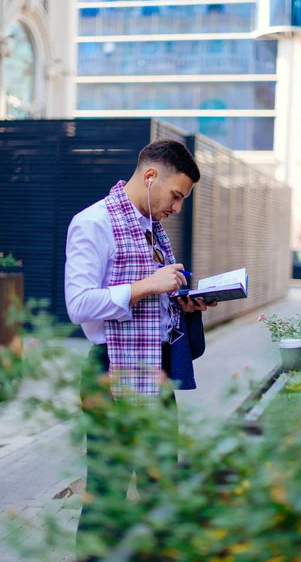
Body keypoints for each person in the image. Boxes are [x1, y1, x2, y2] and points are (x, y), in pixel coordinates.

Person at [65, 139, 216, 561]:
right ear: (151, 177)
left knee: (161, 485)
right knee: (109, 492)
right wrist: (149, 285)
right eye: (176, 196)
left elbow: (155, 303)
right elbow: (78, 303)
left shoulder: (152, 229)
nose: (177, 207)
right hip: (111, 370)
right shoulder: (93, 223)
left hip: (159, 368)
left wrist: (185, 304)